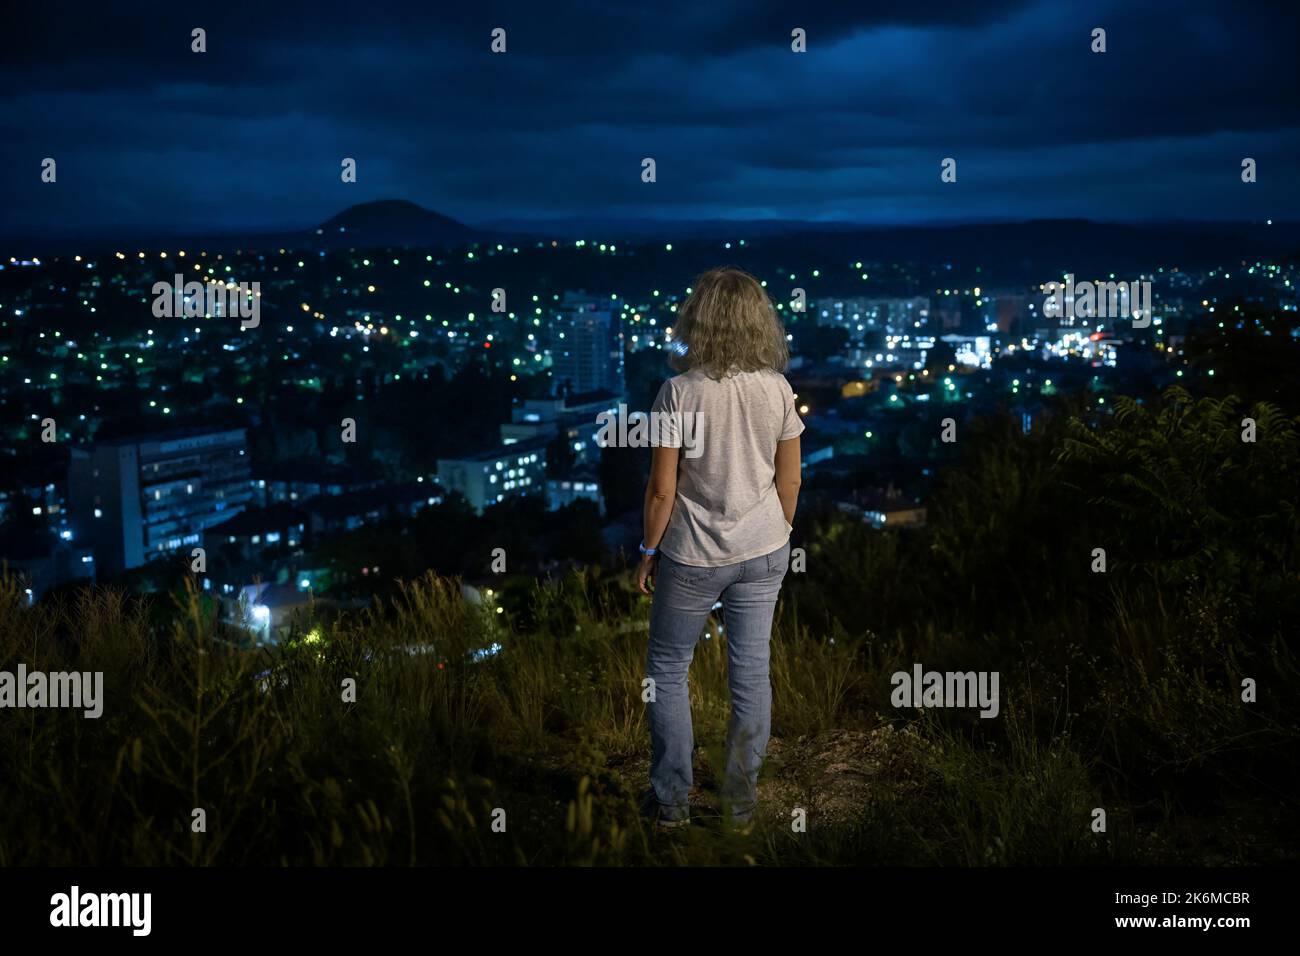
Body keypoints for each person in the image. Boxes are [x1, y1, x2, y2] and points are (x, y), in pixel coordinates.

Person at [636, 266, 804, 830]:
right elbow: (791, 483)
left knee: (666, 668)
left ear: (697, 319)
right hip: (765, 550)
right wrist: (774, 534)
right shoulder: (778, 388)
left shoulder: (678, 392)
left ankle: (672, 806)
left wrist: (646, 550)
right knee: (752, 675)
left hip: (692, 555)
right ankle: (738, 808)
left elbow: (663, 489)